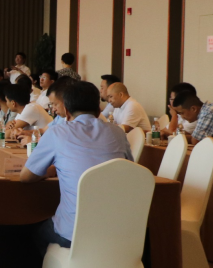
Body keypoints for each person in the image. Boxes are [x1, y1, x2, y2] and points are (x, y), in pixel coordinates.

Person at [21, 80, 133, 255]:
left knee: (34, 233)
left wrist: (48, 172)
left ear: (66, 111)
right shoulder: (118, 132)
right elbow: (130, 170)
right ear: (98, 110)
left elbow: (25, 177)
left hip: (73, 234)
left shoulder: (57, 132)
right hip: (118, 232)